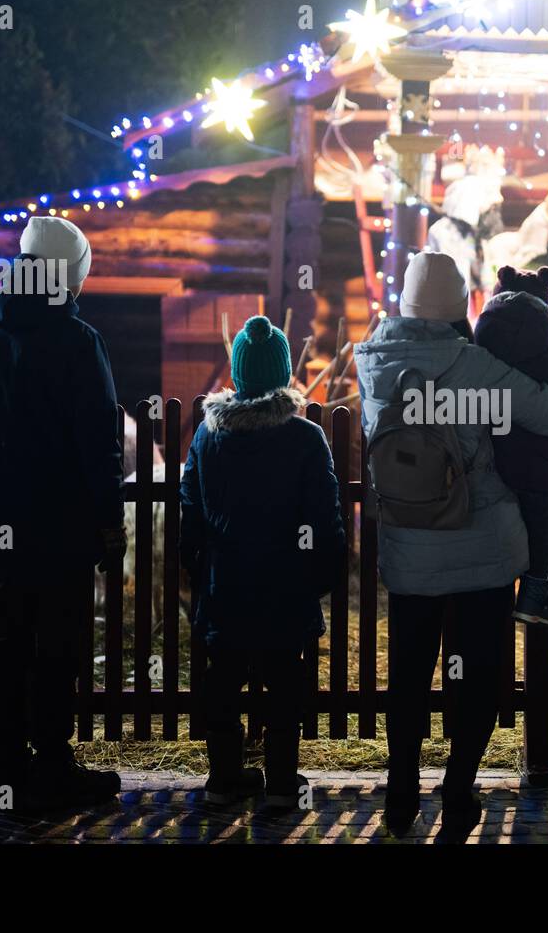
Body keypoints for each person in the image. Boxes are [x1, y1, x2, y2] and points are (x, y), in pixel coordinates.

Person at [354, 251, 548, 843]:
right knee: (476, 675)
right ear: (460, 307)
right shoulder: (474, 364)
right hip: (482, 549)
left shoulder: (372, 366)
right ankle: (457, 786)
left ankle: (401, 788)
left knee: (408, 675)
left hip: (409, 545)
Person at [0, 215, 126, 814]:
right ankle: (53, 764)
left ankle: (8, 769)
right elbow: (100, 442)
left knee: (6, 643)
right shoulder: (80, 342)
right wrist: (109, 525)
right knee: (57, 647)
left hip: (0, 521)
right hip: (62, 529)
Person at [180, 315, 344, 810]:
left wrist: (196, 568)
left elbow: (191, 507)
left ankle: (224, 777)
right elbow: (324, 514)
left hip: (226, 586)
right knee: (284, 686)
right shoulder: (303, 438)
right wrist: (322, 573)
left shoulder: (210, 438)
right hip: (285, 589)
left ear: (238, 373)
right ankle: (279, 783)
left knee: (223, 680)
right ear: (283, 374)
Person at [472, 265, 548, 623]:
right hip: (534, 467)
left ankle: (487, 597)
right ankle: (534, 593)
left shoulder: (478, 356)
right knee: (539, 525)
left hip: (485, 463)